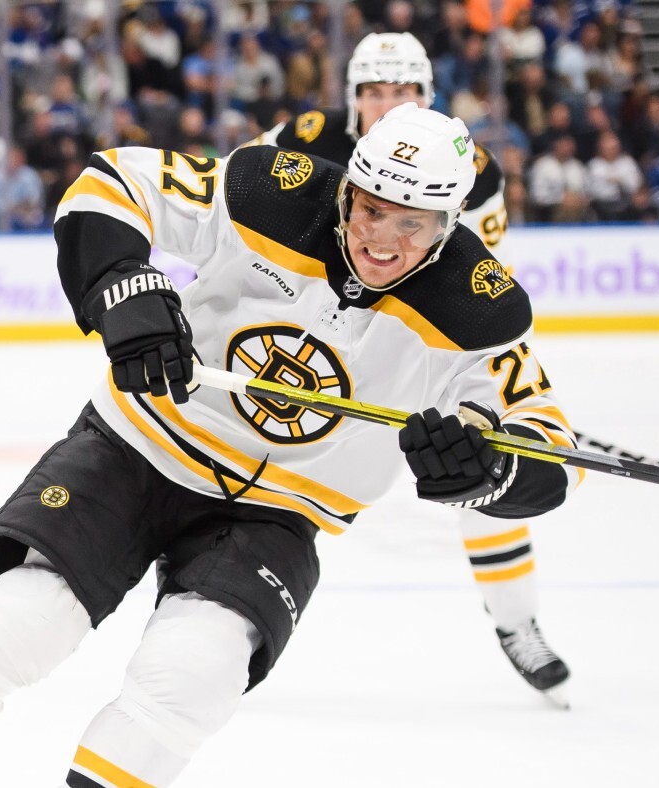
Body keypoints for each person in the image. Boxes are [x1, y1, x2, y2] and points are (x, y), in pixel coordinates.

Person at [0, 105, 579, 787]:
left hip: (281, 511)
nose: (381, 238)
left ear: (449, 223)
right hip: (139, 445)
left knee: (195, 672)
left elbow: (549, 444)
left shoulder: (478, 306)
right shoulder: (271, 191)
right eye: (371, 208)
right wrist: (122, 284)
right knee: (20, 622)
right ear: (349, 188)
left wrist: (491, 469)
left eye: (411, 224)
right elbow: (111, 181)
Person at [247, 32, 571, 698]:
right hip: (308, 334)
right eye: (374, 91)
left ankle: (516, 622)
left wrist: (496, 406)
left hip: (416, 339)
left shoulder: (471, 168)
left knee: (479, 471)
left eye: (403, 91)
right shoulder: (307, 138)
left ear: (427, 95)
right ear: (351, 97)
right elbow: (235, 202)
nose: (389, 104)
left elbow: (481, 283)